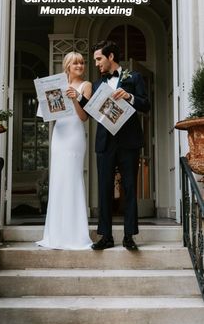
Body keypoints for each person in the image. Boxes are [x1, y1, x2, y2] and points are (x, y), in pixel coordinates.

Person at [81, 40, 150, 250]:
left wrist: (129, 96)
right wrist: (79, 100)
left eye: (99, 59)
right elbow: (91, 112)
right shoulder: (96, 84)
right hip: (105, 143)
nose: (96, 64)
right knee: (104, 189)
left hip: (129, 141)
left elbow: (146, 105)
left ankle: (129, 236)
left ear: (111, 57)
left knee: (130, 188)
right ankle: (106, 237)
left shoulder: (134, 78)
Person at [36, 51, 93, 250]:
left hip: (75, 136)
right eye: (75, 63)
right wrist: (45, 100)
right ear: (67, 66)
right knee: (58, 181)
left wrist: (76, 98)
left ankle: (76, 234)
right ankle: (55, 234)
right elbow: (47, 115)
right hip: (59, 135)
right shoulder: (56, 84)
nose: (79, 66)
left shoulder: (86, 86)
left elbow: (84, 117)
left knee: (73, 179)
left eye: (82, 63)